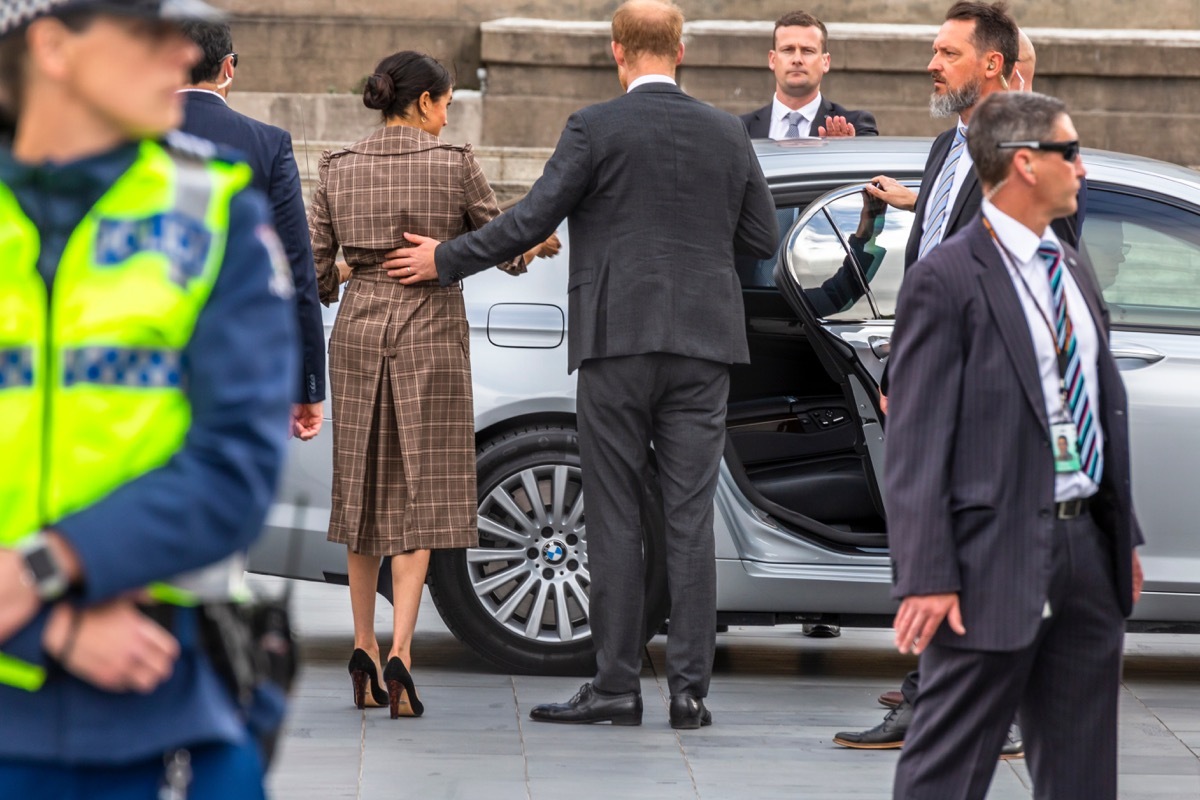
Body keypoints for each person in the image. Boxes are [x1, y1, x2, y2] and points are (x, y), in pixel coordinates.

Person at [386, 0, 777, 729]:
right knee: (690, 521)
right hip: (703, 344)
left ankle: (616, 687)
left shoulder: (594, 128)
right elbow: (759, 237)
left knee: (616, 514)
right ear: (681, 51)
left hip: (617, 340)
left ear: (616, 52)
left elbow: (530, 219)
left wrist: (444, 259)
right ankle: (690, 693)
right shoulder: (728, 132)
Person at [0, 1, 297, 797]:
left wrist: (43, 569)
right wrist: (50, 630)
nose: (180, 57)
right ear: (53, 47)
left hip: (167, 705)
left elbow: (235, 464)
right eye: (148, 35)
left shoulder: (212, 208)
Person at [886, 90, 1143, 799]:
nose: (1083, 169)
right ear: (1027, 164)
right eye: (1072, 152)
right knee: (950, 765)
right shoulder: (946, 279)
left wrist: (1121, 538)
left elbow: (1096, 405)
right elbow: (915, 437)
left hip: (1086, 554)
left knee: (1083, 771)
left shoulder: (1071, 266)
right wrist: (928, 572)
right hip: (985, 562)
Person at [835, 4, 1071, 753]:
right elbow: (934, 259)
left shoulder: (1027, 158)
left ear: (994, 66)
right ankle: (949, 696)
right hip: (930, 382)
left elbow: (1040, 280)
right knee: (928, 546)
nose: (931, 64)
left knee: (958, 553)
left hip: (985, 392)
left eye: (946, 53)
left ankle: (947, 705)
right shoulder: (945, 151)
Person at [308, 50, 554, 720]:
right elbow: (502, 246)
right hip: (430, 336)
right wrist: (538, 245)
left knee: (359, 489)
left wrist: (358, 276)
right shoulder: (452, 164)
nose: (448, 116)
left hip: (356, 335)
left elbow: (315, 272)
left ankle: (361, 647)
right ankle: (403, 656)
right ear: (423, 103)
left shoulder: (338, 166)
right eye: (445, 102)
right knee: (426, 491)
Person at [177, 19, 325, 441]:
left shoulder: (126, 139)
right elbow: (297, 267)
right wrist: (308, 382)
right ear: (228, 68)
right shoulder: (267, 143)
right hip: (235, 361)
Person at [741, 10, 878, 139]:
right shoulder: (740, 129)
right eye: (788, 50)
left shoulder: (855, 126)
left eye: (807, 51)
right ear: (772, 60)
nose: (797, 60)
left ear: (825, 62)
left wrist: (845, 153)